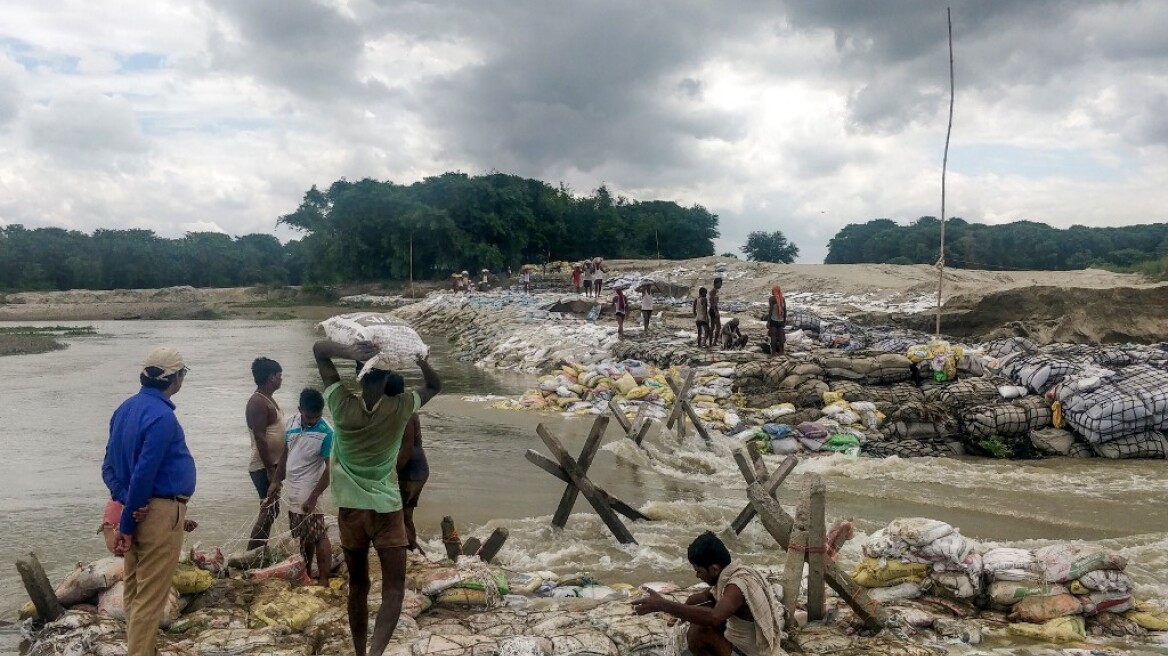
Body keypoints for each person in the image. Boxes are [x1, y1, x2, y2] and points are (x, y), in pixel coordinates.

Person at [313, 340, 441, 656]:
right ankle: (375, 653)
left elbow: (319, 349)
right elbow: (434, 385)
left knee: (357, 586)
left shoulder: (341, 404)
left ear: (359, 375)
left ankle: (360, 653)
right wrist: (421, 359)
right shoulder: (400, 408)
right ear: (387, 378)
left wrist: (351, 353)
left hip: (351, 511)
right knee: (393, 590)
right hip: (386, 509)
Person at [101, 346, 196, 656]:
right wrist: (129, 520)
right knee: (151, 597)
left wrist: (127, 505)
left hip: (137, 507)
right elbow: (145, 471)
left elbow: (108, 468)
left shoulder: (124, 409)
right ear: (175, 378)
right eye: (183, 374)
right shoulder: (162, 417)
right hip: (158, 512)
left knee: (135, 589)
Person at [632, 532, 785, 656]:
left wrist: (663, 605)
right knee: (697, 604)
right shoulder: (730, 575)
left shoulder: (736, 586)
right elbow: (701, 598)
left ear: (714, 569)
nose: (697, 576)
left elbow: (715, 617)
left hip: (752, 653)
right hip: (737, 644)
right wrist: (680, 612)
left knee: (698, 633)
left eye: (699, 571)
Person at [267, 388, 334, 587]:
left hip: (311, 490)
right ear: (300, 409)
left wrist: (314, 497)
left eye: (316, 417)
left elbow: (331, 469)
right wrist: (276, 481)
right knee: (302, 536)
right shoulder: (291, 423)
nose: (312, 421)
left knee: (319, 534)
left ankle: (324, 579)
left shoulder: (327, 432)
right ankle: (307, 573)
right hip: (293, 489)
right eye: (309, 417)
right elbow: (286, 454)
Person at [246, 357, 284, 551]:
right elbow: (260, 437)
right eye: (279, 375)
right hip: (262, 465)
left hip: (272, 464)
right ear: (270, 377)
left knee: (272, 509)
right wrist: (270, 469)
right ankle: (252, 553)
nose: (281, 379)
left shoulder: (267, 398)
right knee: (269, 509)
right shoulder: (258, 402)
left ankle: (258, 552)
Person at [388, 373, 428, 555]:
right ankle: (412, 551)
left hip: (411, 471)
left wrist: (391, 473)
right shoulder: (404, 409)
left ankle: (414, 551)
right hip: (416, 469)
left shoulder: (404, 414)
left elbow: (407, 449)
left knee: (399, 515)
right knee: (405, 515)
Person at [767, 286, 787, 356]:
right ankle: (782, 351)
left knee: (773, 336)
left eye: (773, 290)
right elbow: (785, 311)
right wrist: (784, 321)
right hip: (781, 321)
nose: (772, 292)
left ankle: (773, 352)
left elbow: (770, 310)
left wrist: (768, 321)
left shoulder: (771, 299)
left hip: (773, 320)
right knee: (781, 335)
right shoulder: (782, 299)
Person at [709, 277, 723, 346]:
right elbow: (712, 302)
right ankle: (713, 342)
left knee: (713, 327)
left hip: (713, 309)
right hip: (713, 310)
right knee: (718, 327)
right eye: (720, 283)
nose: (721, 285)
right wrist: (716, 312)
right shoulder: (713, 291)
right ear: (716, 283)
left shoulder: (715, 291)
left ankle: (711, 342)